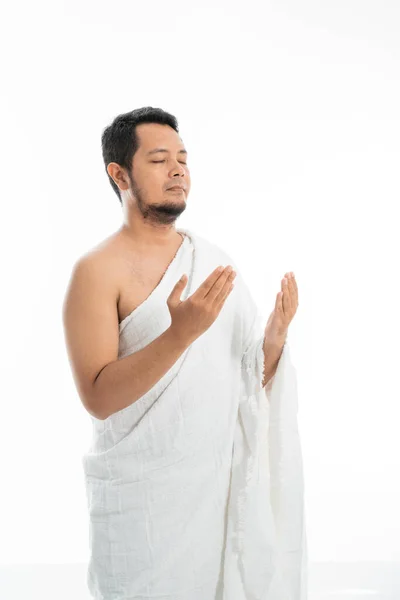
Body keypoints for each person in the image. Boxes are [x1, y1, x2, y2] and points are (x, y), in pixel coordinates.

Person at [62, 106, 308, 599]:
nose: (178, 170)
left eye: (183, 158)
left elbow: (244, 383)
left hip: (214, 496)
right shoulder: (96, 271)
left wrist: (275, 340)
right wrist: (179, 334)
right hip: (142, 507)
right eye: (158, 159)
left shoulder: (213, 262)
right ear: (120, 174)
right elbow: (97, 396)